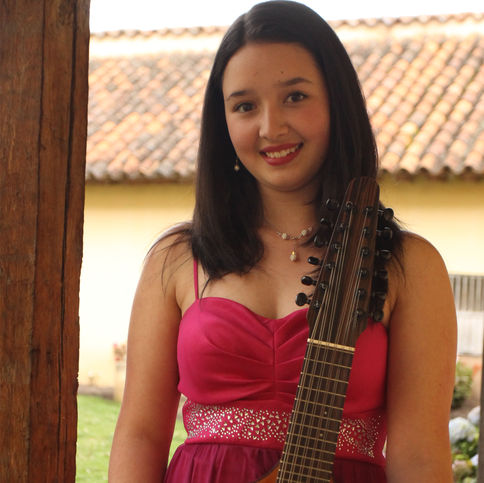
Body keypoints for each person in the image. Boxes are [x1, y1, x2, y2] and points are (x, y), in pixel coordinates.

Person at [108, 1, 457, 482]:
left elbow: (419, 455)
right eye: (245, 106)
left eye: (295, 96)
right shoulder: (177, 260)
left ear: (337, 103)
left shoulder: (408, 264)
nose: (271, 127)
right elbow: (140, 435)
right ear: (223, 122)